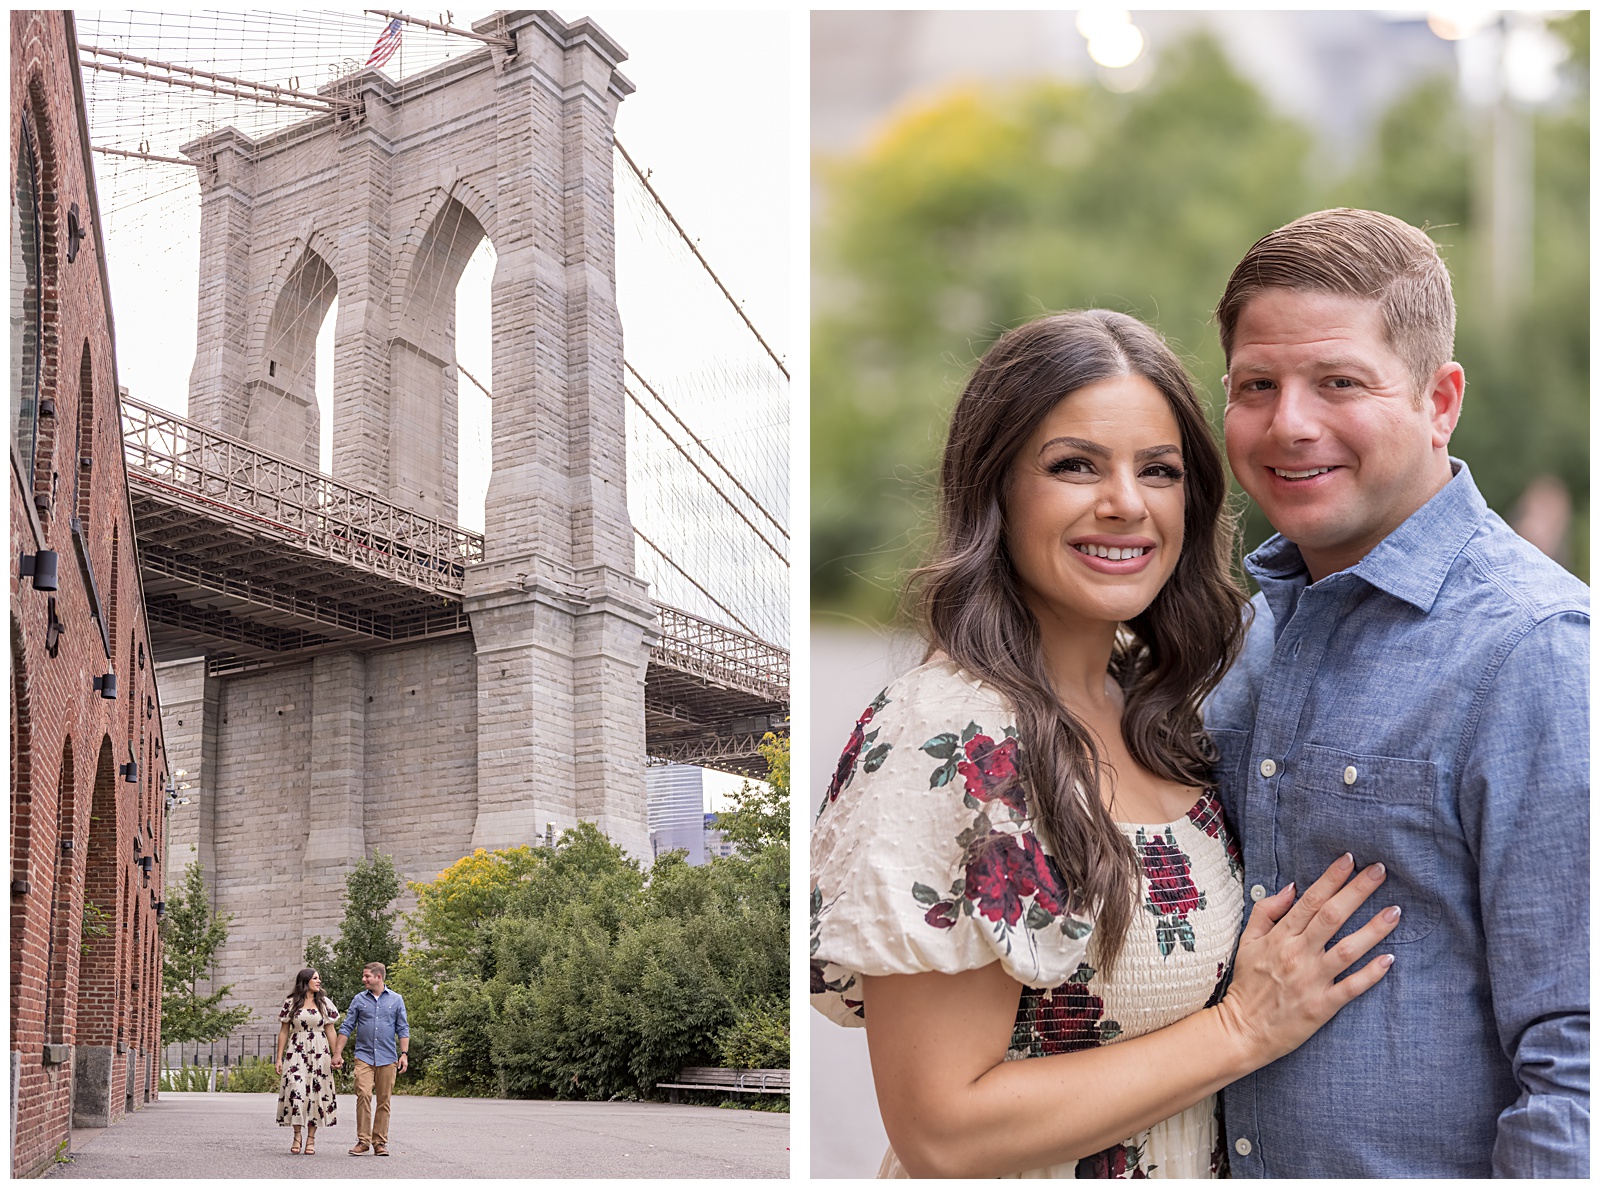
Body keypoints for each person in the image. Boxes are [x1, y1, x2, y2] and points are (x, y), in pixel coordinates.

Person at [810, 309, 1403, 1178]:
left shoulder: (1156, 712)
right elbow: (942, 1129)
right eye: (1074, 465)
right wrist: (1241, 1027)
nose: (1125, 502)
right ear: (997, 488)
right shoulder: (948, 735)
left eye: (1158, 470)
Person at [1205, 207, 1589, 1177]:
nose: (1290, 421)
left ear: (1438, 400)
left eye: (1338, 381)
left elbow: (1580, 1059)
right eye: (1258, 385)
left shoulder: (1533, 648)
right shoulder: (1248, 639)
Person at [334, 961, 409, 1157]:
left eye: (367, 976)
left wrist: (404, 1054)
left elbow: (403, 1028)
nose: (363, 979)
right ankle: (363, 1141)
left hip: (388, 1057)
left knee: (384, 1100)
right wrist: (337, 1053)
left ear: (378, 977)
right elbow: (347, 1027)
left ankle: (380, 1142)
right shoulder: (359, 1000)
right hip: (364, 1056)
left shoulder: (396, 1000)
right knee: (363, 1095)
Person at [275, 967, 341, 1155]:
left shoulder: (324, 1003)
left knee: (316, 1094)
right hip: (296, 1050)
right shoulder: (291, 1003)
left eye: (319, 978)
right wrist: (279, 1058)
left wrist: (337, 1054)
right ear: (305, 981)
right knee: (296, 1090)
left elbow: (330, 1030)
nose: (319, 981)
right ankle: (297, 1135)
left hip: (320, 1050)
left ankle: (311, 1139)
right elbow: (284, 1031)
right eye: (315, 978)